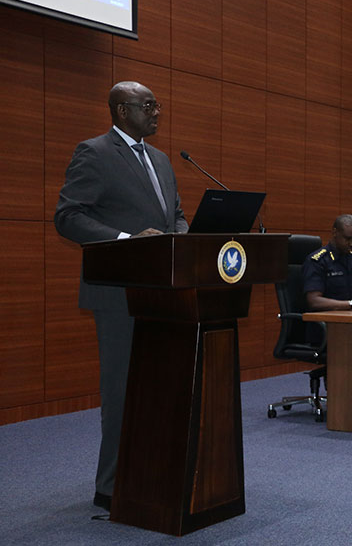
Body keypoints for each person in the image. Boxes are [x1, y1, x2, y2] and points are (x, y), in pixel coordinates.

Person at [54, 81, 188, 511]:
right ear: (120, 110)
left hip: (162, 292)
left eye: (157, 105)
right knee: (121, 391)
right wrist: (128, 239)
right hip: (117, 294)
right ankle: (110, 486)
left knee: (160, 388)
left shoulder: (163, 160)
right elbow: (69, 217)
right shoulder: (93, 152)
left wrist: (181, 238)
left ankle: (152, 471)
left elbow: (177, 216)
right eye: (147, 105)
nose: (156, 112)